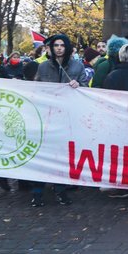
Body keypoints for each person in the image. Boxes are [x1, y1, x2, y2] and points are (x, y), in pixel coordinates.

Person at [31, 34, 83, 207]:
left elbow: (87, 85)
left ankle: (60, 190)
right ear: (51, 48)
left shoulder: (77, 65)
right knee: (41, 155)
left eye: (62, 45)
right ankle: (37, 193)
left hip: (66, 118)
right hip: (46, 117)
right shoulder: (44, 66)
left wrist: (79, 85)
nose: (59, 48)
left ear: (67, 47)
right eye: (56, 45)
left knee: (61, 156)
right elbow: (36, 88)